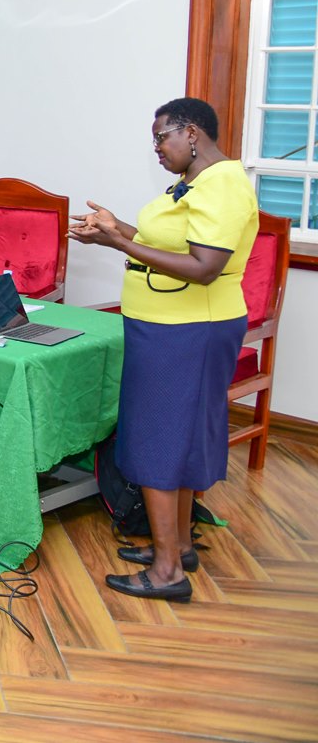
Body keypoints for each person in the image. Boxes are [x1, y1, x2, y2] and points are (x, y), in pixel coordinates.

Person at [69, 97, 258, 603]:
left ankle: (169, 571)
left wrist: (122, 246)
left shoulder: (220, 186)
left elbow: (202, 266)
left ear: (191, 132)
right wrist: (115, 234)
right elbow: (171, 248)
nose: (156, 148)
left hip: (188, 329)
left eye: (161, 137)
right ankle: (175, 547)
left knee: (159, 440)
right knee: (176, 435)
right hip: (171, 325)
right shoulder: (197, 182)